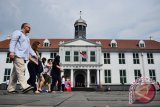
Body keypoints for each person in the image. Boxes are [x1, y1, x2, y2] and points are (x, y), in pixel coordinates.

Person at [7, 23, 37, 94]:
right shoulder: (17, 33)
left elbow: (29, 48)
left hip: (22, 56)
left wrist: (34, 54)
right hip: (17, 55)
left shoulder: (27, 37)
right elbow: (13, 42)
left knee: (15, 73)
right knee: (21, 69)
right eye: (29, 27)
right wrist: (11, 52)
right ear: (24, 27)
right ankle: (25, 86)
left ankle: (10, 89)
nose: (30, 29)